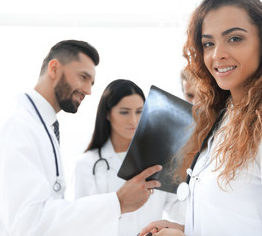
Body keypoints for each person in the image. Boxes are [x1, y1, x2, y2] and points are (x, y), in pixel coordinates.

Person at [139, 0, 262, 235]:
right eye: (209, 43)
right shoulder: (224, 120)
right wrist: (188, 228)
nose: (218, 54)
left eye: (235, 39)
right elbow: (240, 220)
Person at [0, 40, 162, 236]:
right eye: (83, 77)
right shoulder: (14, 127)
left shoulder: (40, 126)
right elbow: (30, 222)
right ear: (54, 68)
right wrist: (117, 202)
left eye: (91, 82)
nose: (88, 90)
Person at [73, 79, 186, 236]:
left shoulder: (160, 159)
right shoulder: (86, 165)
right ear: (107, 113)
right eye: (124, 112)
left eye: (139, 111)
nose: (133, 120)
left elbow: (179, 209)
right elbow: (80, 221)